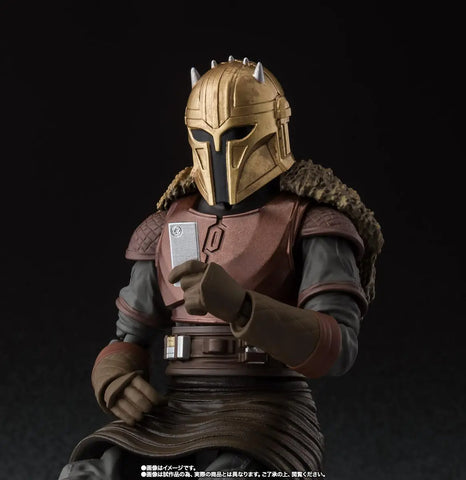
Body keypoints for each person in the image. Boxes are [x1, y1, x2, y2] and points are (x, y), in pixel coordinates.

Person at [58, 56, 383, 480]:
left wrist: (242, 306)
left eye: (236, 133)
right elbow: (129, 337)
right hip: (176, 413)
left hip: (267, 415)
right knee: (87, 475)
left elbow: (337, 348)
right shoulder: (165, 225)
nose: (218, 150)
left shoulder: (312, 224)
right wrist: (114, 375)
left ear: (273, 129)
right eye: (203, 136)